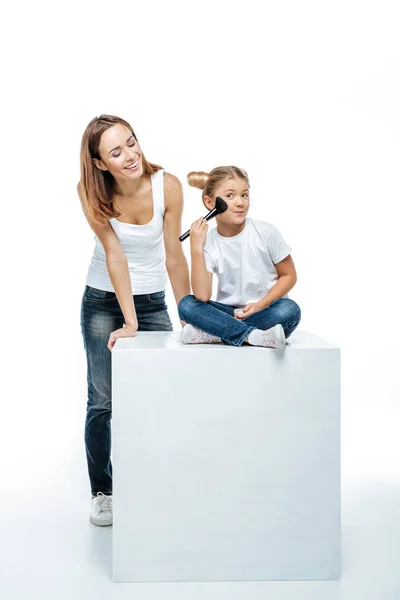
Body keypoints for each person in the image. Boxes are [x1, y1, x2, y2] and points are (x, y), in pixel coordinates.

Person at [78, 115, 190, 526]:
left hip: (153, 301)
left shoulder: (169, 186)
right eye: (116, 151)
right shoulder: (91, 192)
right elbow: (115, 256)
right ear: (100, 164)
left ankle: (154, 481)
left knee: (159, 395)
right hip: (103, 303)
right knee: (103, 400)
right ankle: (102, 491)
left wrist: (188, 315)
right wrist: (128, 324)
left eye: (131, 142)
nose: (130, 155)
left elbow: (174, 257)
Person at [178, 166, 301, 348]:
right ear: (210, 203)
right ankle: (253, 336)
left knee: (290, 310)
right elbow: (202, 296)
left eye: (244, 195)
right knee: (187, 304)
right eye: (230, 196)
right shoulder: (209, 241)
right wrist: (196, 248)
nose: (240, 202)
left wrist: (260, 305)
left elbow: (289, 275)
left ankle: (217, 334)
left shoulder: (266, 232)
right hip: (228, 313)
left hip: (266, 309)